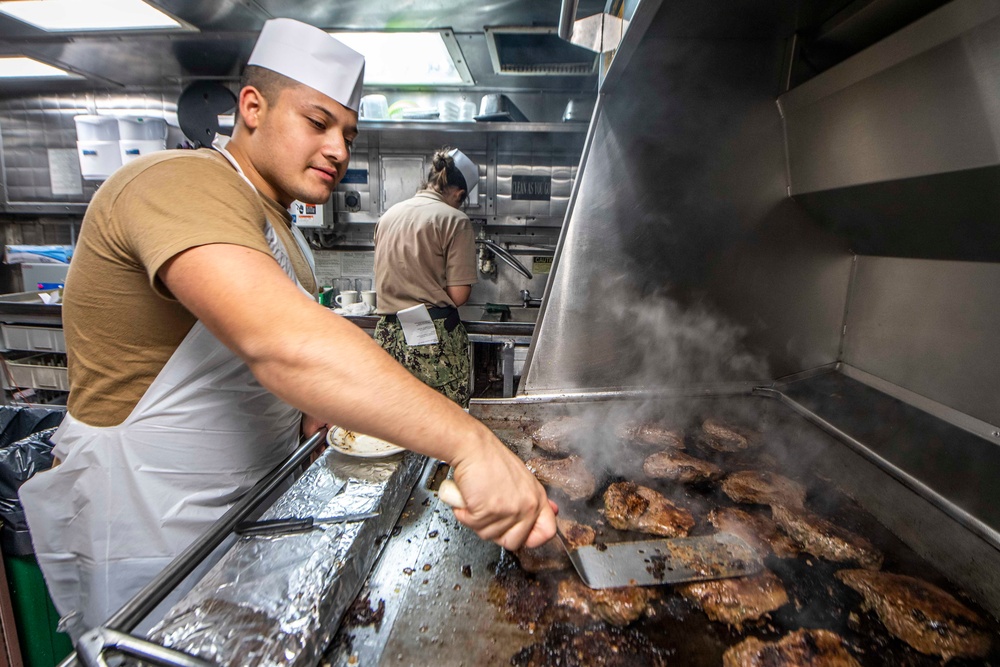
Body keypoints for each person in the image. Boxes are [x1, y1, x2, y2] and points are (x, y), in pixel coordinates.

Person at [18, 18, 555, 638]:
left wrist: (304, 411)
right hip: (150, 524)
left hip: (242, 514)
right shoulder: (176, 182)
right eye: (317, 122)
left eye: (349, 134)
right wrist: (471, 442)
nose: (339, 151)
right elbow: (282, 344)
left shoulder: (280, 226)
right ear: (252, 107)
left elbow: (255, 360)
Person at [373, 148, 479, 407]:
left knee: (394, 421)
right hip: (431, 339)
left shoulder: (387, 217)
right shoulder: (455, 220)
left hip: (387, 336)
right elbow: (459, 295)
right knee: (441, 423)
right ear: (459, 194)